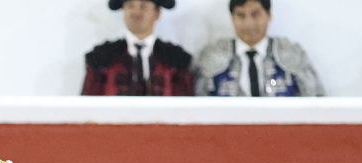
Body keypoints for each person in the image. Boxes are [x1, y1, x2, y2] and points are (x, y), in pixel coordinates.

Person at [194, 0, 325, 97]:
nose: (248, 23)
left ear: (268, 15)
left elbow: (316, 101)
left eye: (255, 14)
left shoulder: (292, 54)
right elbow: (198, 109)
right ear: (232, 18)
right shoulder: (212, 56)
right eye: (241, 15)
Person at [83, 0, 194, 96]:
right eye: (130, 6)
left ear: (157, 13)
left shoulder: (176, 59)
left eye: (143, 6)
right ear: (123, 12)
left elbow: (186, 109)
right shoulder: (101, 58)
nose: (136, 12)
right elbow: (88, 107)